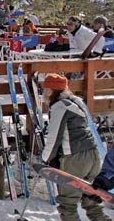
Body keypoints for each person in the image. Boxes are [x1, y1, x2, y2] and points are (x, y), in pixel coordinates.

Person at [41, 74, 109, 221]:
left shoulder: (59, 107)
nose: (44, 92)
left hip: (75, 157)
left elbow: (54, 137)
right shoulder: (77, 103)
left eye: (46, 89)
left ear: (52, 90)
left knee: (68, 202)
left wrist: (46, 159)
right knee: (91, 199)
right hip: (93, 154)